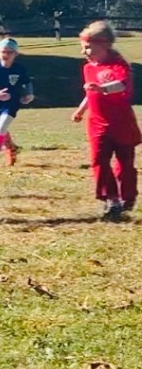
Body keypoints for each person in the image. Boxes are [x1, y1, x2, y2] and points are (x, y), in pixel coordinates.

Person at [71, 20, 141, 220]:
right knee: (98, 160)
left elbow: (121, 85)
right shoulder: (88, 68)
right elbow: (90, 93)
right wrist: (81, 111)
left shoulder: (118, 65)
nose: (84, 52)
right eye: (83, 47)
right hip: (97, 122)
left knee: (124, 162)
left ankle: (127, 197)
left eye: (88, 47)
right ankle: (111, 199)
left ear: (105, 45)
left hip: (121, 122)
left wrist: (103, 88)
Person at [0, 38, 34, 170]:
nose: (6, 55)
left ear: (16, 54)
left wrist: (29, 94)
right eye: (3, 52)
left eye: (10, 52)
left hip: (12, 103)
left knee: (0, 129)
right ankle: (12, 149)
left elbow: (27, 82)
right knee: (0, 129)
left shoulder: (19, 68)